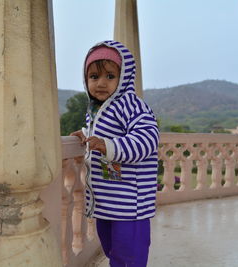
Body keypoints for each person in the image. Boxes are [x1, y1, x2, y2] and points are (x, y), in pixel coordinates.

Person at [71, 40, 159, 267]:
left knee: (129, 254)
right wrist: (84, 134)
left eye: (110, 76)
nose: (101, 83)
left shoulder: (131, 105)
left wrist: (108, 146)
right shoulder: (96, 108)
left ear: (125, 77)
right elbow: (100, 133)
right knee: (111, 249)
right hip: (106, 201)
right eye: (94, 77)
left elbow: (148, 139)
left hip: (130, 204)